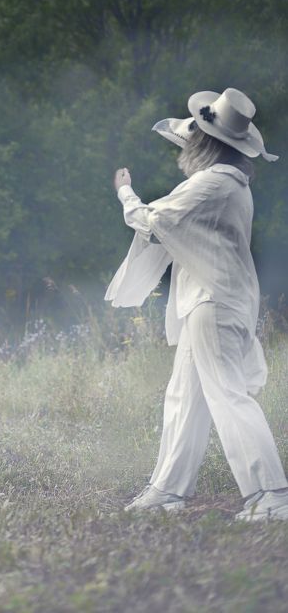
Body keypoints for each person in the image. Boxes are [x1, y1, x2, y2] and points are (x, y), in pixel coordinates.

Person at [107, 87, 288, 521]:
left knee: (227, 394)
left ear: (206, 144)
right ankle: (167, 490)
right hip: (209, 300)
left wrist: (125, 193)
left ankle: (272, 495)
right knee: (185, 396)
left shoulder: (214, 184)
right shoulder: (227, 184)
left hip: (214, 302)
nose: (185, 145)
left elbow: (154, 220)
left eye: (192, 139)